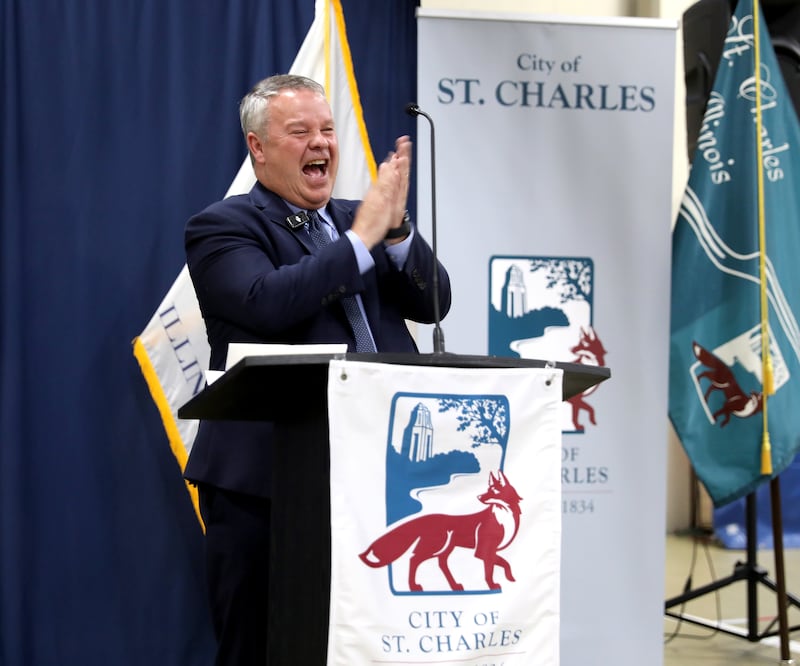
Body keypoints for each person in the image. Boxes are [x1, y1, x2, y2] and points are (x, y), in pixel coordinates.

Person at [183, 74, 451, 666]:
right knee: (261, 646)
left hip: (372, 478)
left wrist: (396, 232)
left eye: (327, 130)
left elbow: (434, 303)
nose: (321, 143)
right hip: (265, 486)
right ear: (258, 147)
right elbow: (268, 302)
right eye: (300, 131)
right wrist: (360, 239)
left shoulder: (368, 220)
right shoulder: (222, 227)